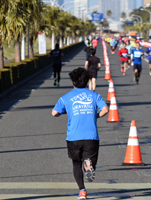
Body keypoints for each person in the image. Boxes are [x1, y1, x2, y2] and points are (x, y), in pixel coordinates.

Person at [52, 67, 108, 200]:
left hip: (73, 137)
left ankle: (82, 191)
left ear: (73, 82)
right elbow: (105, 109)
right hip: (91, 136)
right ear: (88, 81)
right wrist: (96, 116)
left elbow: (54, 113)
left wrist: (66, 111)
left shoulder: (65, 98)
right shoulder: (95, 96)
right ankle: (89, 165)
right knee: (90, 161)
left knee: (76, 163)